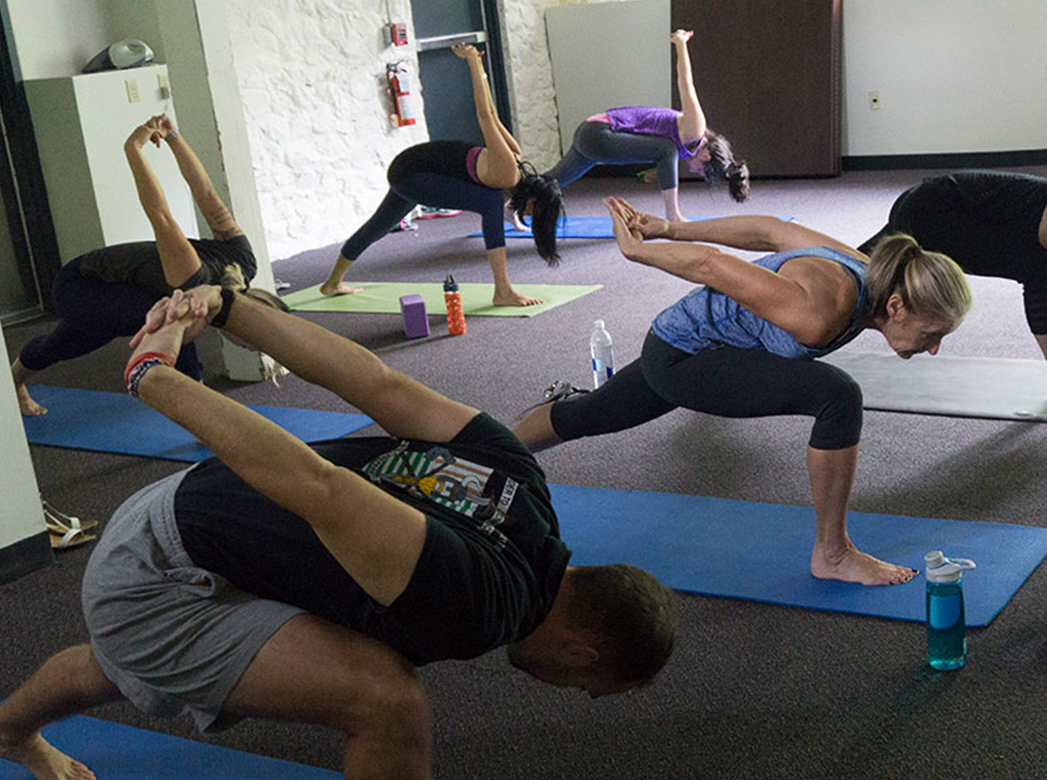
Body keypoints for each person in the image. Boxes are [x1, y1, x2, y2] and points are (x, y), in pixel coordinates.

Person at [0, 282, 677, 780]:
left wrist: (230, 307)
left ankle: (7, 731)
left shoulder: (523, 483)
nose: (571, 691)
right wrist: (151, 376)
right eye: (590, 687)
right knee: (384, 700)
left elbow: (377, 384)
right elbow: (322, 488)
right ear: (583, 652)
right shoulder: (480, 607)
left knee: (136, 664)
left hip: (199, 517)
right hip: (159, 578)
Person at [514, 197, 971, 587]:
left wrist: (671, 226)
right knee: (838, 396)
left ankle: (490, 445)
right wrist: (638, 250)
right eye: (932, 333)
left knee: (590, 414)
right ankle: (833, 554)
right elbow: (711, 266)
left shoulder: (868, 269)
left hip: (681, 342)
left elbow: (770, 230)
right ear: (896, 305)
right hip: (686, 359)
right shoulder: (823, 310)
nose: (933, 348)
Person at [858, 52, 1047, 401]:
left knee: (854, 265)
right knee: (1036, 268)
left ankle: (809, 267)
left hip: (929, 207)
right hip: (932, 215)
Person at [12, 114, 281, 417]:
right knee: (176, 320)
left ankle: (13, 380)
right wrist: (133, 149)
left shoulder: (243, 261)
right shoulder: (194, 278)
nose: (251, 347)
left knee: (68, 343)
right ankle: (203, 415)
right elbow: (160, 215)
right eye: (252, 341)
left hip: (120, 287)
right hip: (78, 286)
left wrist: (173, 137)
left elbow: (205, 191)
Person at [319, 44, 563, 307]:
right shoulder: (507, 174)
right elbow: (484, 116)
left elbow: (493, 113)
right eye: (534, 214)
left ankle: (332, 283)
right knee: (490, 202)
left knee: (379, 225)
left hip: (414, 169)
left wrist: (480, 66)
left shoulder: (517, 157)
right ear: (533, 202)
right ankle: (503, 291)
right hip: (412, 173)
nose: (528, 217)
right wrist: (471, 62)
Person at [548, 30, 748, 223]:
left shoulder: (690, 142)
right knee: (667, 150)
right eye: (703, 171)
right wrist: (681, 43)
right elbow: (686, 83)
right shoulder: (695, 129)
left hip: (590, 133)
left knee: (551, 181)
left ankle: (516, 205)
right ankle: (673, 215)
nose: (697, 172)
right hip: (600, 134)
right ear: (706, 156)